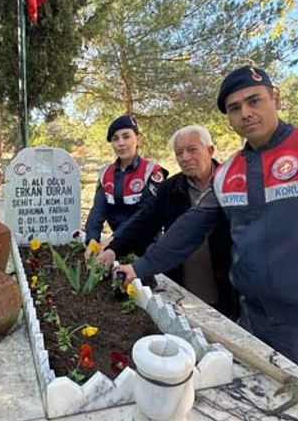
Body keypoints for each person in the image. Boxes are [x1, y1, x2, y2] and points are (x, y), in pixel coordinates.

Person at [115, 65, 298, 404]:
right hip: (252, 322)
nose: (246, 113)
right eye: (235, 108)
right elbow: (191, 228)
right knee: (259, 404)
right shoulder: (229, 173)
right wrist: (141, 267)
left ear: (275, 98)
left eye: (254, 101)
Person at [90, 125, 240, 320]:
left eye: (192, 150)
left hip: (228, 291)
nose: (185, 157)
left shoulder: (233, 184)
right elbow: (144, 222)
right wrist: (113, 248)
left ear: (210, 150)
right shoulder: (171, 188)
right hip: (183, 289)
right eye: (179, 153)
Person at [84, 114, 168, 249]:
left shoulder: (152, 172)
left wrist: (114, 239)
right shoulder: (105, 173)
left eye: (126, 136)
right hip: (118, 246)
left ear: (138, 140)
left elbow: (145, 214)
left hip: (148, 247)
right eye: (115, 139)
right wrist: (92, 240)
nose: (121, 143)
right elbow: (98, 211)